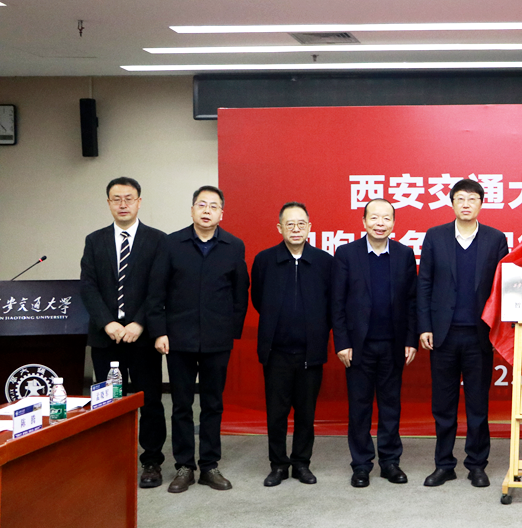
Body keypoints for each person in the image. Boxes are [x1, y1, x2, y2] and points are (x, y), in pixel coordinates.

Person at [151, 185, 250, 493]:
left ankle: (209, 465)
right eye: (202, 205)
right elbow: (156, 291)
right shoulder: (171, 243)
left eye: (213, 206)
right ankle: (184, 466)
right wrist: (159, 331)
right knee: (181, 404)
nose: (207, 211)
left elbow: (240, 292)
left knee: (212, 404)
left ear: (222, 213)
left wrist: (230, 332)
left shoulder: (233, 246)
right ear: (192, 209)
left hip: (217, 340)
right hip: (178, 339)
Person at [417, 178, 509, 488]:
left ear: (481, 203)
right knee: (443, 405)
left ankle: (477, 465)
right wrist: (425, 326)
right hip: (442, 335)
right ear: (452, 203)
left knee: (477, 405)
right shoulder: (435, 236)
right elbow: (424, 283)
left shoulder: (495, 239)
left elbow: (502, 288)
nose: (466, 204)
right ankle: (444, 464)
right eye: (460, 198)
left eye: (472, 199)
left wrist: (499, 331)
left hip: (479, 336)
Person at [79, 176, 168, 488]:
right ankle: (110, 458)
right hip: (106, 337)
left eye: (129, 198)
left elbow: (158, 288)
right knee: (107, 400)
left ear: (139, 202)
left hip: (142, 337)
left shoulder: (158, 240)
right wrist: (108, 322)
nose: (123, 204)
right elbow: (88, 286)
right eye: (116, 199)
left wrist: (139, 323)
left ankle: (151, 461)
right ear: (108, 203)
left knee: (149, 400)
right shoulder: (95, 240)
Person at [333, 199, 418, 488]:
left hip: (393, 344)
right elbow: (337, 302)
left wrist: (411, 339)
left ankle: (390, 462)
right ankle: (361, 465)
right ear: (364, 221)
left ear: (394, 223)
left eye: (386, 218)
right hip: (358, 346)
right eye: (374, 218)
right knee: (359, 407)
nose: (380, 223)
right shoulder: (347, 253)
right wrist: (342, 342)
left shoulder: (404, 254)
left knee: (390, 405)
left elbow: (412, 301)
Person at [251, 202, 333, 487]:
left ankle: (301, 463)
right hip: (277, 352)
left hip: (311, 352)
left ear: (310, 227)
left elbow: (332, 304)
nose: (296, 229)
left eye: (301, 224)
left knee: (306, 413)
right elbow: (258, 300)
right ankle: (278, 465)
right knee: (276, 413)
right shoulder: (265, 260)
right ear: (279, 228)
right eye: (290, 224)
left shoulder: (324, 262)